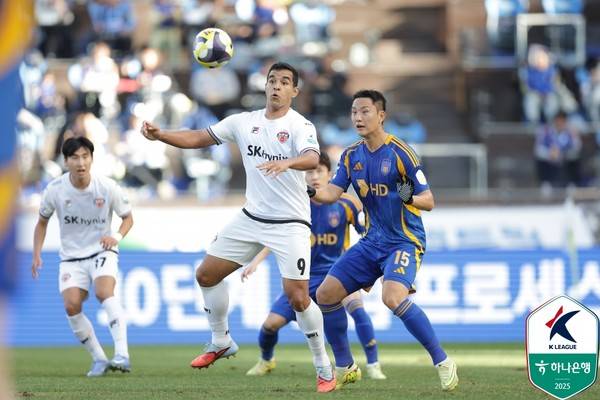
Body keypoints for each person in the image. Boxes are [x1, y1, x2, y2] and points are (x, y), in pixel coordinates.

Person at [140, 62, 337, 392]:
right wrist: (162, 135)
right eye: (272, 80)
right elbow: (198, 138)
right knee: (206, 275)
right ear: (265, 86)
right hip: (251, 218)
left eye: (284, 82)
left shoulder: (300, 125)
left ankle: (323, 367)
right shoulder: (243, 122)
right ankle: (221, 340)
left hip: (290, 222)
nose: (276, 86)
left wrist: (287, 162)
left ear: (294, 91)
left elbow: (311, 158)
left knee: (298, 298)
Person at [311, 90, 459, 392]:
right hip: (371, 242)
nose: (358, 117)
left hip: (404, 241)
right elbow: (332, 193)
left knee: (392, 297)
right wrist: (309, 191)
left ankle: (443, 361)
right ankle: (346, 365)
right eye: (354, 112)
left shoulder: (401, 153)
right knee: (325, 294)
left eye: (365, 111)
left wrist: (409, 197)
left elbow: (429, 201)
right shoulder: (351, 156)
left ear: (381, 116)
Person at [242, 152, 386, 386]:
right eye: (309, 172)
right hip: (301, 278)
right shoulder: (296, 203)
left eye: (319, 171)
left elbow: (369, 235)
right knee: (270, 325)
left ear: (330, 174)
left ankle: (373, 365)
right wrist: (256, 261)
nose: (314, 176)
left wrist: (375, 265)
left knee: (358, 310)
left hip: (336, 274)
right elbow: (278, 235)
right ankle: (266, 360)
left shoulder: (347, 203)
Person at [32, 137, 134, 377]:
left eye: (85, 156)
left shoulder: (107, 186)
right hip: (71, 257)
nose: (81, 163)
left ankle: (122, 354)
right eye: (75, 157)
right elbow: (41, 223)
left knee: (103, 292)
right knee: (71, 305)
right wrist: (36, 254)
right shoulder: (55, 190)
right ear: (65, 161)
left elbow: (128, 218)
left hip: (101, 250)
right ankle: (99, 359)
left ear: (92, 159)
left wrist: (116, 237)